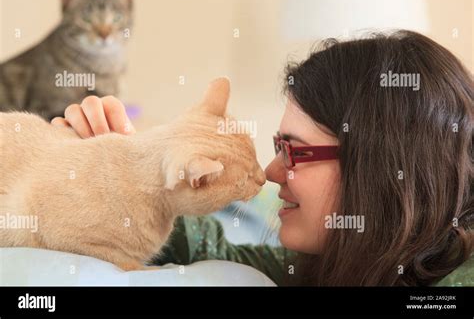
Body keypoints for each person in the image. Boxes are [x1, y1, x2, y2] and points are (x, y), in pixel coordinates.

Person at [51, 30, 473, 286]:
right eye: (277, 147)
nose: (272, 172)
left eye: (294, 150)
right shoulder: (337, 263)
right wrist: (129, 172)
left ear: (379, 164)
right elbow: (210, 250)